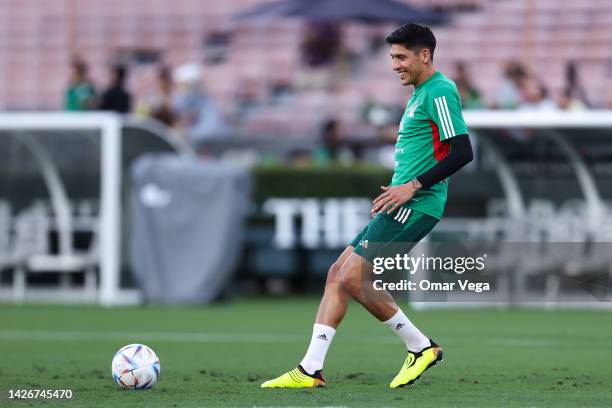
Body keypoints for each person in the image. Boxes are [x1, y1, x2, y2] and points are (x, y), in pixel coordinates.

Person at [261, 23, 473, 389]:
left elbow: (463, 151)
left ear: (425, 55)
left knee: (352, 276)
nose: (395, 65)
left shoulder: (439, 90)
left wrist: (412, 186)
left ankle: (420, 345)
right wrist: (399, 186)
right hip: (401, 201)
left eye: (401, 57)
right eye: (392, 57)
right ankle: (311, 369)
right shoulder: (421, 93)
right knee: (337, 274)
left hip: (418, 204)